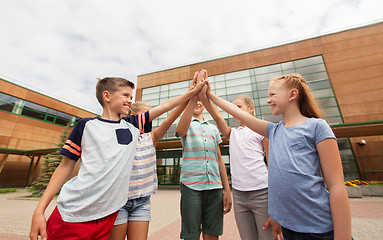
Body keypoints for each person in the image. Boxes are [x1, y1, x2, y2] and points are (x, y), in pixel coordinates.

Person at [30, 75, 206, 240]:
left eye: (131, 96)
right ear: (107, 96)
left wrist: (191, 92)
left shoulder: (133, 126)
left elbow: (166, 106)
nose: (130, 100)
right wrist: (39, 210)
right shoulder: (86, 125)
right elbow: (65, 167)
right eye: (126, 95)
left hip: (107, 215)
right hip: (73, 213)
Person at [205, 73, 351, 240]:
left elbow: (337, 187)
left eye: (272, 94)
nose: (268, 100)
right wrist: (208, 94)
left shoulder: (317, 127)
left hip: (318, 229)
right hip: (289, 229)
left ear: (293, 94)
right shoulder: (273, 130)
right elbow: (277, 179)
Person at [109, 74, 196, 240]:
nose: (152, 117)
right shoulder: (118, 134)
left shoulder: (151, 137)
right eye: (148, 114)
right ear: (133, 114)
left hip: (142, 201)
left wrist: (190, 95)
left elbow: (170, 117)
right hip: (119, 201)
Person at [198, 92, 273, 240]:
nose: (234, 110)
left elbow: (272, 165)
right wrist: (204, 95)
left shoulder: (262, 129)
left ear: (251, 108)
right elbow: (217, 117)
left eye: (239, 107)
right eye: (232, 108)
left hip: (262, 192)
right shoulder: (233, 133)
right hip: (239, 195)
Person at [176, 70, 232, 240]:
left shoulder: (213, 129)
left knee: (212, 233)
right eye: (195, 101)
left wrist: (227, 189)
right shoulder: (186, 124)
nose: (198, 103)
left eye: (201, 100)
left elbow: (219, 160)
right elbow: (180, 130)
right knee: (191, 235)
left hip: (215, 188)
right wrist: (193, 95)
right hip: (191, 186)